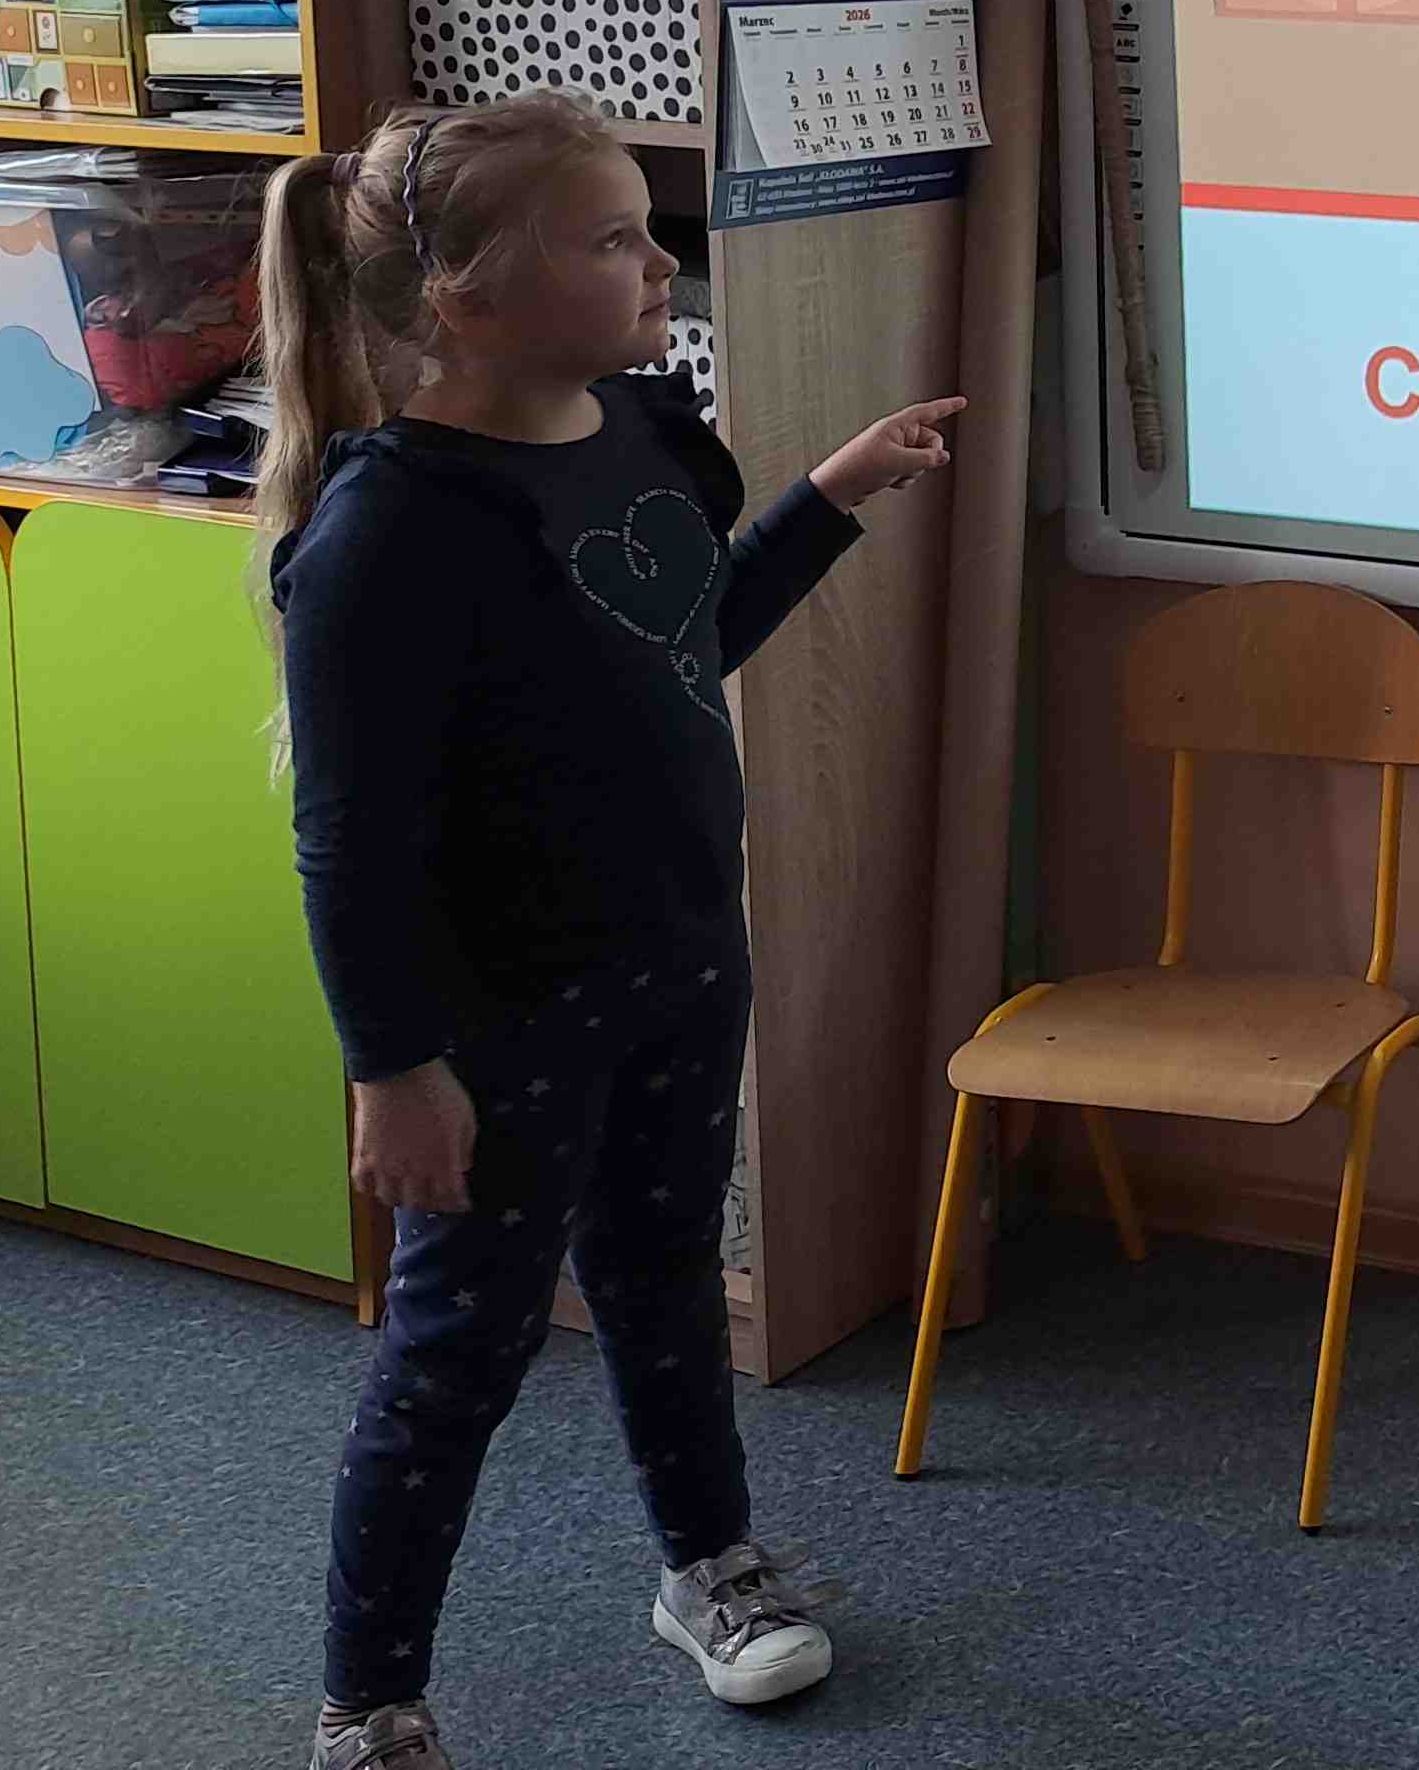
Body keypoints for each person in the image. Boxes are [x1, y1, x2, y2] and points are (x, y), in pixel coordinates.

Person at [258, 95, 965, 1770]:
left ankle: (706, 1566)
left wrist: (832, 493)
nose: (660, 264)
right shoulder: (390, 530)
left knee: (664, 1286)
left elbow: (687, 632)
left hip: (680, 969)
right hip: (501, 1021)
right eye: (611, 239)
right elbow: (348, 844)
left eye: (650, 231)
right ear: (465, 300)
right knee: (458, 1354)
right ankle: (369, 1700)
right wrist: (394, 1067)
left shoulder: (638, 434)